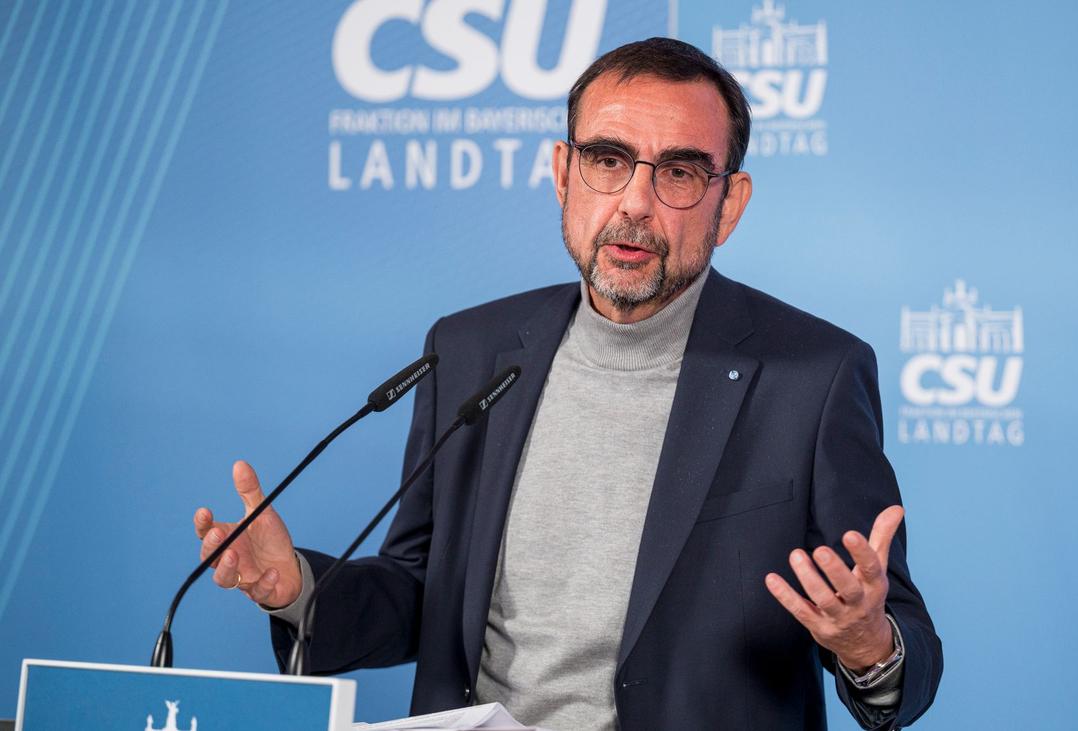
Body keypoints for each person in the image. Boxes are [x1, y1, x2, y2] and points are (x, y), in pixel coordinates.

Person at [193, 38, 941, 731]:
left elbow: (904, 647)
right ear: (563, 173)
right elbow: (422, 590)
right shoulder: (471, 350)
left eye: (679, 173)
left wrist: (868, 644)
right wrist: (299, 588)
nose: (636, 203)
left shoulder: (814, 376)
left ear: (730, 204)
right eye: (608, 160)